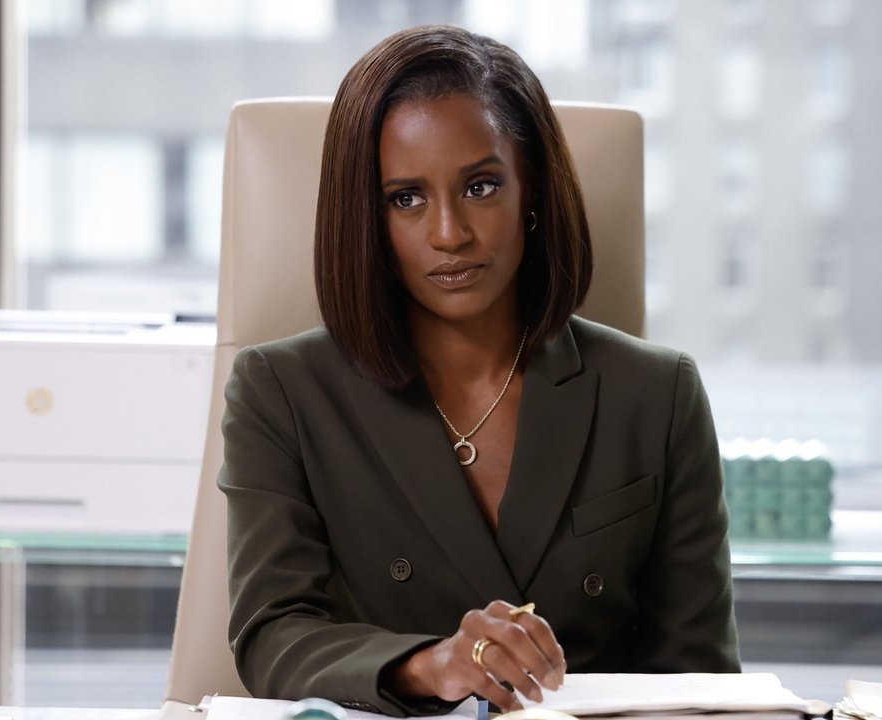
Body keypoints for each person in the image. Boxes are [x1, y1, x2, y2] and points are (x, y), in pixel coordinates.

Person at [219, 24, 739, 717]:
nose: (449, 234)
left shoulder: (656, 393)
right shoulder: (280, 392)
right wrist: (433, 665)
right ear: (366, 217)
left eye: (481, 186)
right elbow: (272, 637)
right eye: (405, 198)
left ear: (533, 192)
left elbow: (701, 678)